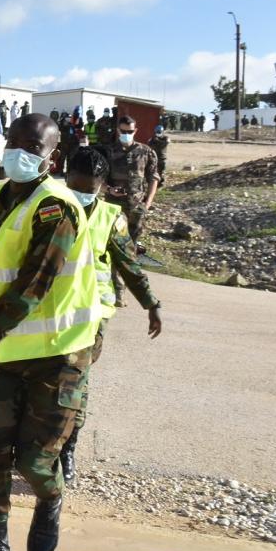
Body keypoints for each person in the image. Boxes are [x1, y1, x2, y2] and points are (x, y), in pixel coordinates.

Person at [0, 113, 100, 551]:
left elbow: (33, 284)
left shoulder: (56, 208)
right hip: (5, 354)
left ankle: (50, 497)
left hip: (57, 354)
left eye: (33, 147)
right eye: (15, 141)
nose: (19, 152)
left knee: (36, 463)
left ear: (51, 157)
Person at [59, 146, 163, 484]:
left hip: (91, 315)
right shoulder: (51, 209)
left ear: (103, 186)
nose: (82, 194)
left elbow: (128, 264)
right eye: (76, 186)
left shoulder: (110, 218)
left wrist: (150, 303)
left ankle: (67, 449)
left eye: (89, 190)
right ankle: (38, 447)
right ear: (66, 179)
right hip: (50, 309)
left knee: (75, 383)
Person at [103, 115, 159, 259]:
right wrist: (109, 189)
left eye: (130, 132)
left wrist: (148, 203)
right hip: (113, 206)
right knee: (112, 243)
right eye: (123, 131)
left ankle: (129, 267)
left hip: (136, 207)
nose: (126, 134)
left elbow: (153, 178)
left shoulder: (146, 151)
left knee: (131, 246)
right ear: (118, 130)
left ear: (135, 131)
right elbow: (98, 179)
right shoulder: (108, 151)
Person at [150, 123, 169, 187]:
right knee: (154, 171)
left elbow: (165, 143)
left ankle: (161, 184)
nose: (158, 133)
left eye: (159, 132)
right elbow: (149, 145)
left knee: (162, 171)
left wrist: (157, 141)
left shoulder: (166, 138)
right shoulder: (153, 139)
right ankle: (154, 183)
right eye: (157, 132)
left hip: (162, 158)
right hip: (154, 157)